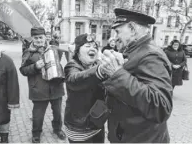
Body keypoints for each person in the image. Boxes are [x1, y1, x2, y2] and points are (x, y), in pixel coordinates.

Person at [98, 8, 173, 142]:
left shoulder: (151, 55)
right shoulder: (136, 50)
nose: (115, 37)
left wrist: (116, 74)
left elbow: (161, 107)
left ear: (132, 29)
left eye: (118, 31)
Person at [19, 27, 66, 143]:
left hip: (55, 86)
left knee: (57, 112)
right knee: (38, 114)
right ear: (32, 38)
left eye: (41, 37)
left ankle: (57, 129)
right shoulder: (28, 52)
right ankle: (36, 133)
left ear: (45, 37)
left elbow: (59, 62)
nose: (39, 40)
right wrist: (35, 67)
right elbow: (23, 70)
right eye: (36, 38)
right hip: (38, 88)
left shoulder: (53, 48)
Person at [64, 34, 106, 143]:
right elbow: (74, 79)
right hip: (80, 126)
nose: (93, 48)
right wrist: (99, 71)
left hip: (97, 121)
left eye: (95, 47)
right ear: (77, 51)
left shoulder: (97, 64)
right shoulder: (72, 66)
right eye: (87, 46)